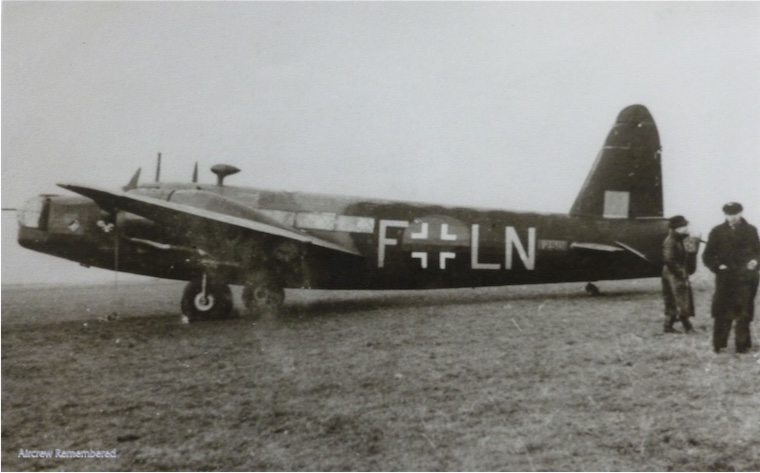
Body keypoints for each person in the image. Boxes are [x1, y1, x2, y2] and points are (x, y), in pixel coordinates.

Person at [702, 202, 760, 353]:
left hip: (746, 278)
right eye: (728, 214)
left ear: (741, 213)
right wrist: (718, 266)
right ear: (725, 215)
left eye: (735, 214)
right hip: (726, 278)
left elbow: (757, 252)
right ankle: (719, 344)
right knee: (722, 311)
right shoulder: (717, 231)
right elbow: (707, 255)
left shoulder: (751, 230)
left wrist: (755, 261)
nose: (732, 217)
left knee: (744, 311)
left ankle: (742, 345)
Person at [661, 215, 697, 333]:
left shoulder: (682, 239)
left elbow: (691, 254)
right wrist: (680, 273)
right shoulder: (671, 241)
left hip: (673, 271)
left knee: (672, 298)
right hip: (674, 271)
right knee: (682, 299)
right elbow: (669, 259)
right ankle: (688, 327)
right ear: (677, 228)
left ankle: (668, 326)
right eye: (683, 226)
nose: (686, 228)